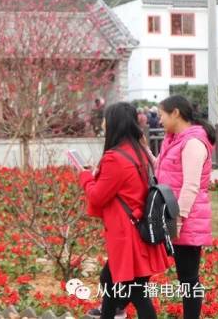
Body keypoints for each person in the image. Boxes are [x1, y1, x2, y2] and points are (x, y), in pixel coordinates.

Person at [79, 102, 169, 319]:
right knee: (110, 283)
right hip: (138, 229)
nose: (103, 123)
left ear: (113, 123)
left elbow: (97, 196)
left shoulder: (115, 157)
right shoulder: (140, 151)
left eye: (105, 119)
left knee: (136, 293)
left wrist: (85, 178)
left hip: (126, 236)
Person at [153, 95, 215, 319]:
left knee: (189, 278)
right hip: (174, 214)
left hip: (186, 218)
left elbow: (191, 186)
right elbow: (164, 168)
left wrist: (177, 220)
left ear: (175, 113)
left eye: (161, 115)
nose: (159, 121)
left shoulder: (193, 143)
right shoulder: (174, 139)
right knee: (185, 277)